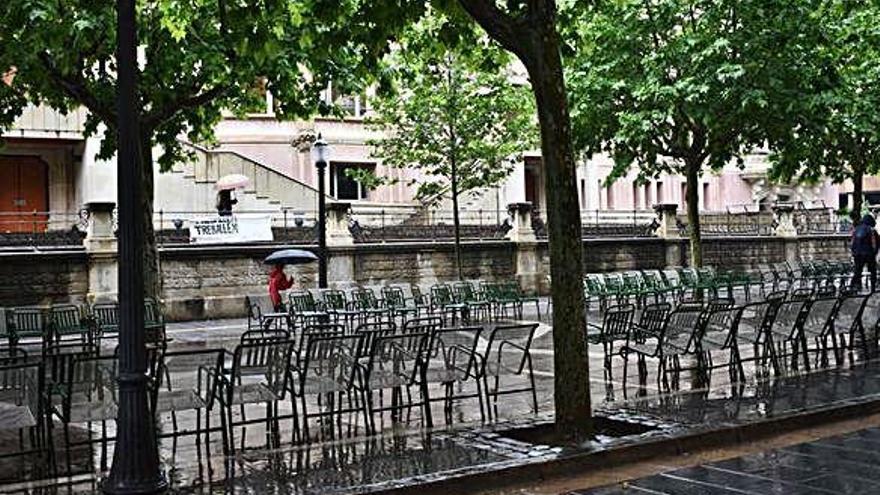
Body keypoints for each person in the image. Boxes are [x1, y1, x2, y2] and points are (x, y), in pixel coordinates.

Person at [851, 213, 879, 291]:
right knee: (873, 271)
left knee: (858, 271)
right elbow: (875, 243)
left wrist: (854, 253)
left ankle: (854, 286)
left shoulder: (856, 229)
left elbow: (852, 242)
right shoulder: (872, 230)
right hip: (869, 254)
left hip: (857, 254)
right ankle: (873, 287)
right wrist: (874, 253)